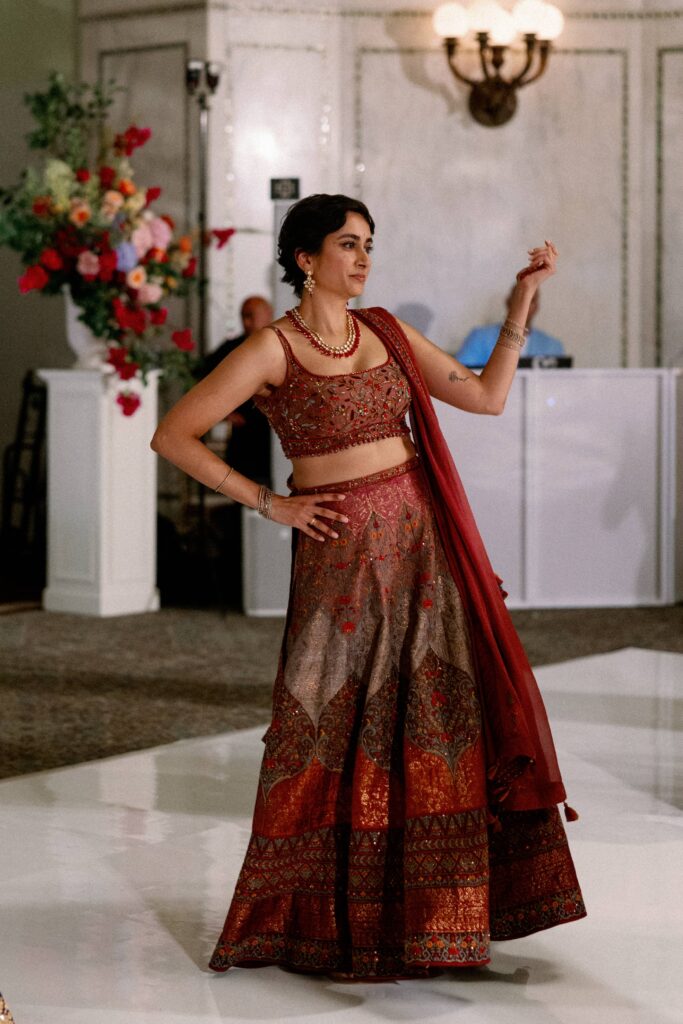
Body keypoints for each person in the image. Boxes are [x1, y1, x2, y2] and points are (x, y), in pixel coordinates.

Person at [150, 194, 586, 981]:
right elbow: (172, 434)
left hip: (425, 548)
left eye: (369, 245)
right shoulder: (269, 349)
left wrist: (517, 306)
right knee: (325, 724)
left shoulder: (386, 331)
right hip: (341, 560)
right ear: (304, 258)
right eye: (347, 244)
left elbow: (485, 396)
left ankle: (440, 919)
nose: (362, 259)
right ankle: (316, 919)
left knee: (435, 719)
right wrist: (269, 501)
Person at [200, 295, 274, 488]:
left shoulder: (281, 345)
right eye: (243, 316)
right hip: (245, 433)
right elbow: (200, 376)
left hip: (274, 434)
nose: (246, 322)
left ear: (268, 315)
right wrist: (224, 413)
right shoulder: (232, 348)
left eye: (251, 316)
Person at [457, 286, 565, 367]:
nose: (525, 304)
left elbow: (558, 387)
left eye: (531, 300)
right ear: (508, 302)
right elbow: (463, 375)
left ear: (537, 307)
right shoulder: (480, 338)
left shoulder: (552, 346)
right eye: (520, 298)